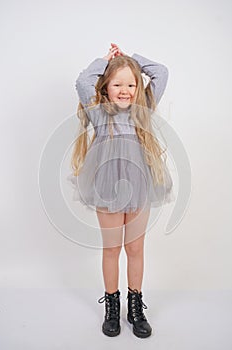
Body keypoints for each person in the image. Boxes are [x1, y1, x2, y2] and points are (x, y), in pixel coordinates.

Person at [68, 43, 174, 338]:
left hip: (140, 186)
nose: (125, 90)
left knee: (135, 248)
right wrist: (107, 60)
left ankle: (136, 307)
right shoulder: (99, 113)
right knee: (112, 248)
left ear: (138, 88)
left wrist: (131, 60)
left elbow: (161, 72)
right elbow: (82, 81)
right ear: (105, 88)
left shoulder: (143, 110)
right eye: (117, 84)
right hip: (107, 189)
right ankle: (112, 309)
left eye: (131, 84)